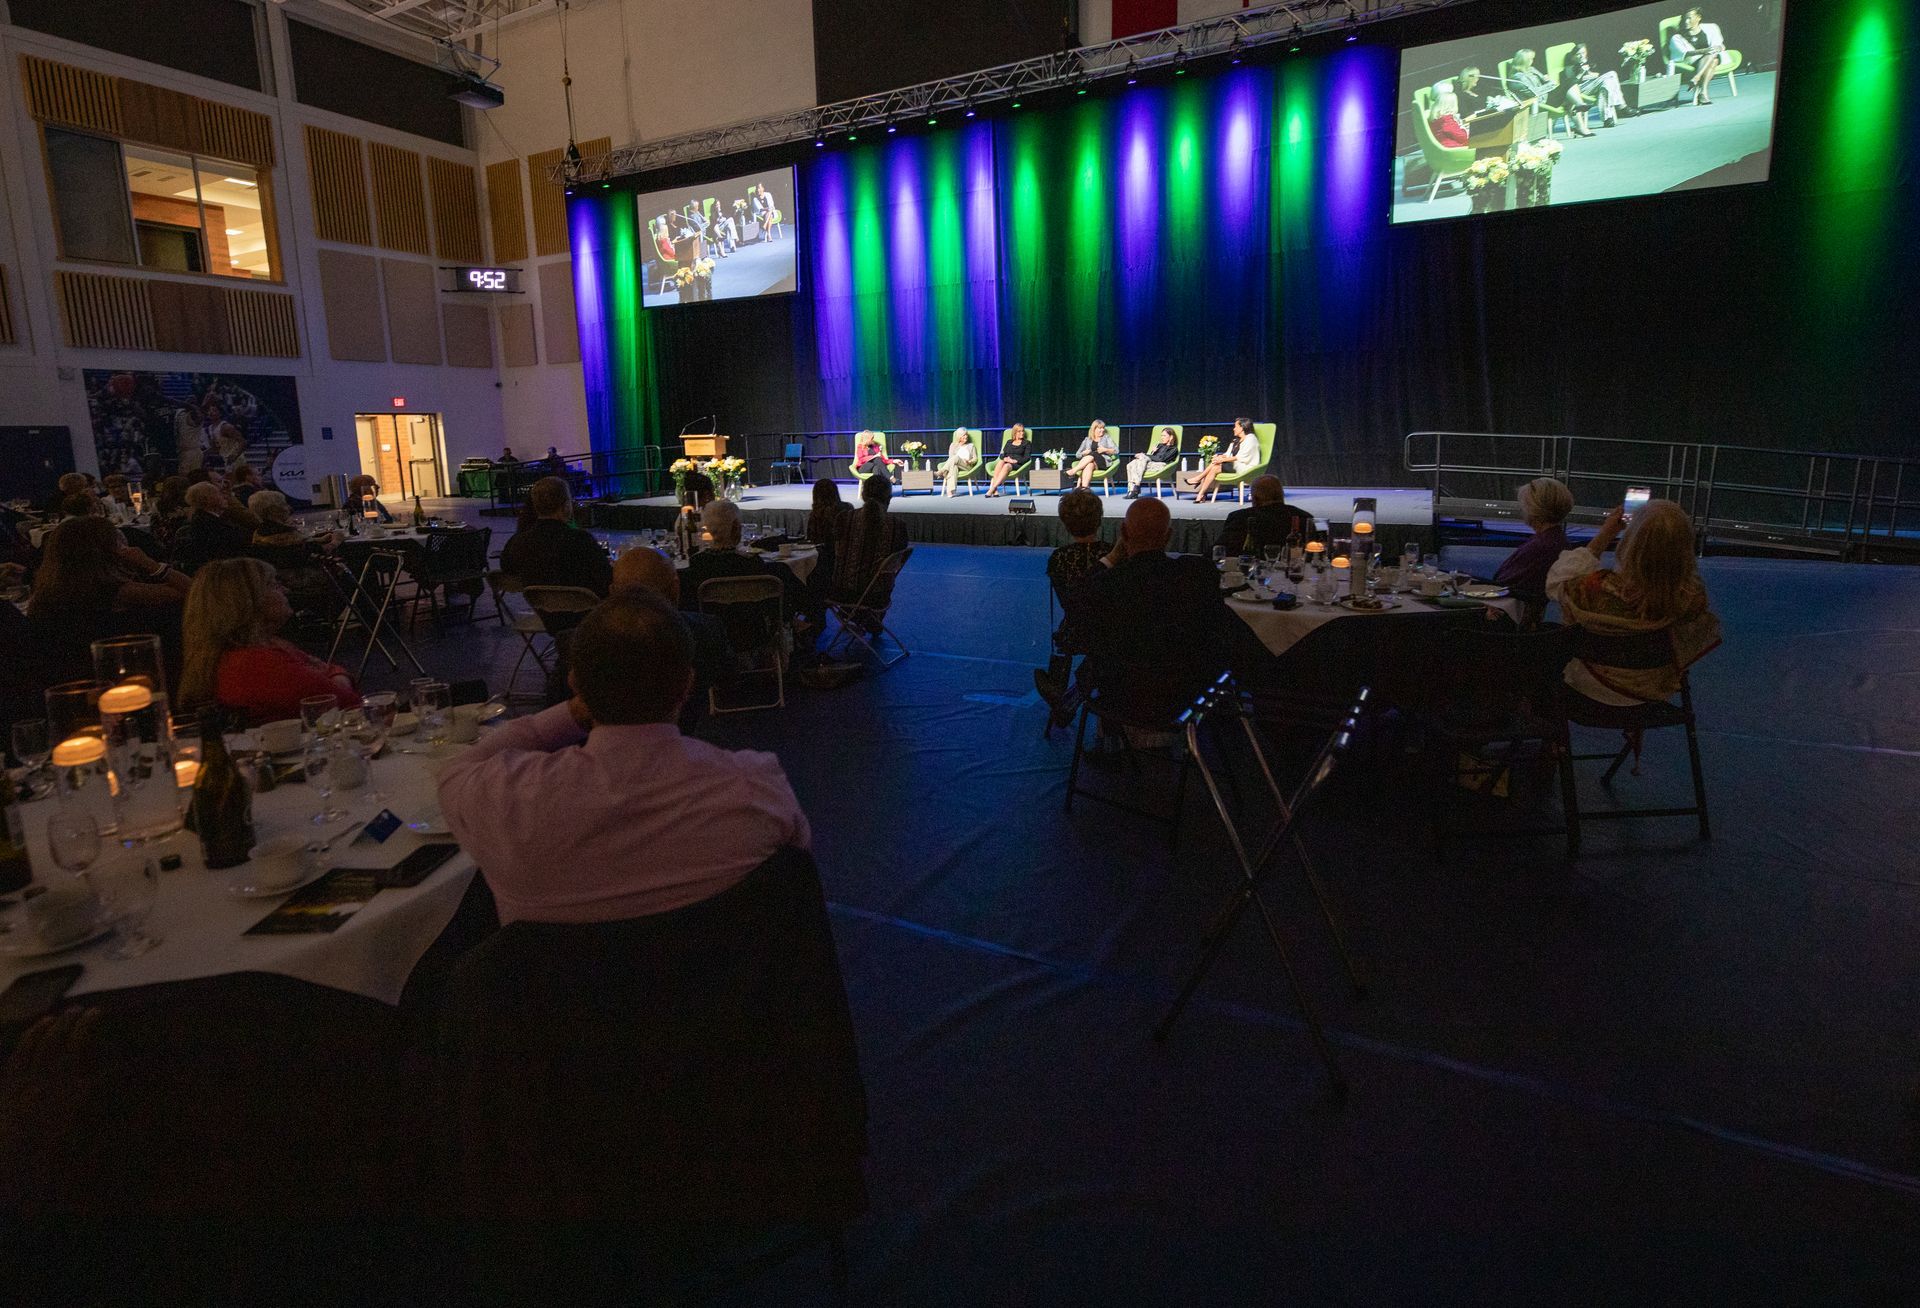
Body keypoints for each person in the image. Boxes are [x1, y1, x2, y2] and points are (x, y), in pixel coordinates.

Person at [438, 593, 811, 924]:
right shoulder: (755, 788)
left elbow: (454, 773)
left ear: (575, 684)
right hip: (720, 980)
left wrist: (569, 714)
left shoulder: (505, 800)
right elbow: (797, 874)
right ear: (687, 684)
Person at [1044, 498, 1233, 728]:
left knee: (1101, 656)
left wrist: (1111, 559)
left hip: (1123, 694)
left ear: (1123, 533)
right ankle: (1070, 702)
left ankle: (1070, 702)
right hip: (1190, 693)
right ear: (1169, 535)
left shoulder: (1105, 583)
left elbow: (1073, 602)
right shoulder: (1199, 573)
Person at [1547, 500, 1721, 707]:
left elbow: (1557, 581)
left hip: (1583, 691)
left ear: (1630, 542)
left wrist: (1604, 535)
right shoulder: (1691, 599)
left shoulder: (1590, 588)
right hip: (1649, 694)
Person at [178, 557, 360, 724]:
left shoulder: (241, 652)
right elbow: (347, 702)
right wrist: (338, 675)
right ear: (248, 601)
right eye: (274, 585)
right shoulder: (257, 664)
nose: (285, 590)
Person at [611, 546, 735, 700]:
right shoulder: (707, 631)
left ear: (612, 592)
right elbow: (728, 677)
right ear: (676, 588)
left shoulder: (595, 641)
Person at [27, 516, 189, 618]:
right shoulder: (118, 592)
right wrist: (149, 564)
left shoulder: (45, 594)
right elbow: (191, 591)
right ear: (107, 549)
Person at [1036, 490, 1106, 699]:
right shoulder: (1112, 553)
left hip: (1074, 629)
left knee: (1064, 635)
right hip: (1109, 629)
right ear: (1099, 519)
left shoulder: (1059, 558)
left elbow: (1066, 601)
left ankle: (1058, 687)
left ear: (1066, 524)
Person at [500, 475, 613, 596]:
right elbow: (606, 577)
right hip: (584, 605)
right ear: (566, 506)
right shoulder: (580, 539)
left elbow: (508, 571)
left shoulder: (518, 541)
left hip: (541, 605)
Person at [1491, 477, 1574, 619]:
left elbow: (1502, 586)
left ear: (1533, 509)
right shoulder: (1557, 540)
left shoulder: (1542, 546)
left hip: (1505, 616)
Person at [831, 473, 908, 608]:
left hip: (843, 592)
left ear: (863, 495)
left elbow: (836, 552)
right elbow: (897, 562)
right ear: (889, 499)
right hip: (878, 597)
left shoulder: (843, 519)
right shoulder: (898, 526)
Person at [169, 481, 255, 574]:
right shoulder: (209, 525)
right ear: (207, 500)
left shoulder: (206, 519)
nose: (225, 497)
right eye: (219, 493)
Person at [1218, 476, 1313, 557]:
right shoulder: (1303, 517)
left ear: (1255, 498)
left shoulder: (1240, 517)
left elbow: (1220, 551)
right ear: (1281, 495)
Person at [1556, 42, 1626, 135]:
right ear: (1573, 57)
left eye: (1583, 53)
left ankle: (1608, 119)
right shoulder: (1569, 68)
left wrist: (1590, 73)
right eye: (1578, 54)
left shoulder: (1583, 65)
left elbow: (1593, 75)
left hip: (1589, 86)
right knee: (1611, 75)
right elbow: (1571, 84)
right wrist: (1581, 73)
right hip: (1578, 91)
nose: (1581, 56)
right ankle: (1621, 106)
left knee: (1607, 83)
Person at [1184, 418, 1259, 503]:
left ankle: (1199, 481)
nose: (1233, 429)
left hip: (1245, 467)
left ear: (1242, 428)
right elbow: (1228, 454)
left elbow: (1242, 457)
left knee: (1216, 465)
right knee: (1215, 464)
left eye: (1235, 427)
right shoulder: (1236, 440)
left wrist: (1222, 460)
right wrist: (1219, 456)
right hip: (1234, 464)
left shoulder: (1251, 439)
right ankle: (1200, 493)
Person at [1670, 8, 1728, 106]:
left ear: (1698, 18)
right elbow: (1684, 53)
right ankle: (1703, 92)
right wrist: (1703, 51)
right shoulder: (1677, 37)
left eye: (1689, 18)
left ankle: (1697, 77)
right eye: (1684, 19)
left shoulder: (1711, 28)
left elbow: (1719, 45)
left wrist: (1718, 47)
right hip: (1695, 61)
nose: (1686, 21)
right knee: (1713, 61)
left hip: (1714, 56)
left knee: (1712, 54)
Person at [1125, 426, 1181, 499]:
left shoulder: (1173, 449)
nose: (1162, 437)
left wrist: (1144, 455)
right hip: (1150, 464)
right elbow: (1152, 457)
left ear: (1171, 437)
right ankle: (1133, 489)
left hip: (1162, 465)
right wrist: (1153, 452)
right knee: (1131, 464)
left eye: (1164, 436)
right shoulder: (1160, 445)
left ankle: (1135, 488)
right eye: (1161, 435)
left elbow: (1161, 459)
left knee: (1140, 459)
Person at [1066, 419, 1117, 492]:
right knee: (1090, 465)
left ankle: (1074, 470)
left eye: (1103, 428)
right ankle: (1084, 488)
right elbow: (1077, 454)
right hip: (1092, 462)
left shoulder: (1106, 438)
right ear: (1094, 429)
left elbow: (1116, 451)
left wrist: (1105, 450)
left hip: (1103, 462)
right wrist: (1084, 453)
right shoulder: (1087, 439)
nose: (1102, 430)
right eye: (1100, 428)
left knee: (1093, 454)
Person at [985, 423, 1033, 497]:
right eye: (1019, 431)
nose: (1022, 433)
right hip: (1007, 461)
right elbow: (1002, 455)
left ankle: (992, 488)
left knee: (1007, 466)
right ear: (1015, 432)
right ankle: (995, 491)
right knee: (1001, 462)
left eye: (1023, 431)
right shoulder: (1009, 442)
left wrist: (1015, 461)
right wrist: (1005, 458)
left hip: (1018, 464)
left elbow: (1027, 458)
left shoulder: (1026, 443)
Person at [938, 428, 978, 497]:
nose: (966, 436)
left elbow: (975, 458)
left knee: (956, 457)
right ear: (959, 437)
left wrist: (969, 461)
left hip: (967, 465)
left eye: (966, 435)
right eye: (964, 435)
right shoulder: (953, 445)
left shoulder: (971, 446)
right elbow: (950, 458)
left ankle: (942, 471)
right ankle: (950, 491)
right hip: (955, 464)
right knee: (954, 467)